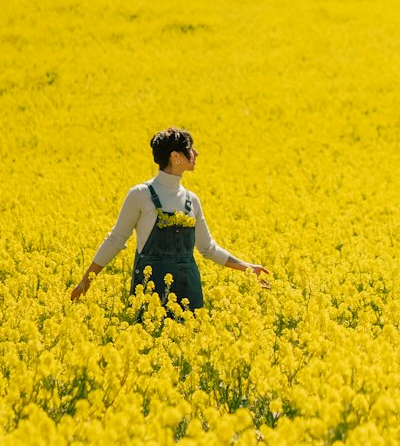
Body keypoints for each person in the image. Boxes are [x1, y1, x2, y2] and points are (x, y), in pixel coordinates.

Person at [69, 127, 271, 310]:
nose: (196, 153)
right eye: (191, 149)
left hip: (189, 290)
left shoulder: (191, 200)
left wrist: (248, 268)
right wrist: (85, 283)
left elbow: (208, 249)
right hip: (150, 291)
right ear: (176, 156)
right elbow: (115, 240)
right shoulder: (140, 195)